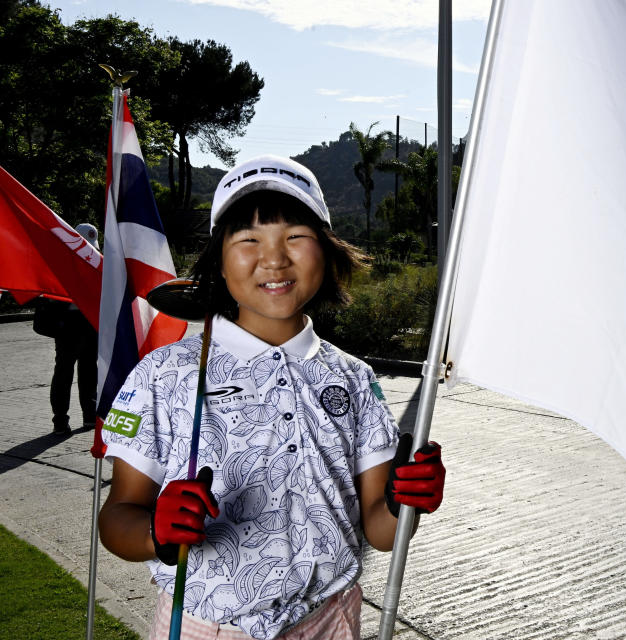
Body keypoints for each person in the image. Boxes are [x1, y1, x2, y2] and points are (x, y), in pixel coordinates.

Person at [97, 156, 446, 640]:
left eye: (296, 237)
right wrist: (155, 530)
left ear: (326, 250)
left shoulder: (354, 378)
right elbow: (117, 519)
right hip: (209, 627)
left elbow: (381, 532)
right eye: (249, 240)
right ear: (219, 259)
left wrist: (406, 504)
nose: (275, 258)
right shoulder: (165, 373)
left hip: (330, 620)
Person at [39, 222, 99, 435]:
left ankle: (88, 416)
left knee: (88, 373)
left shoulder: (97, 264)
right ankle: (61, 421)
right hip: (69, 328)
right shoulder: (60, 266)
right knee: (65, 374)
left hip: (89, 326)